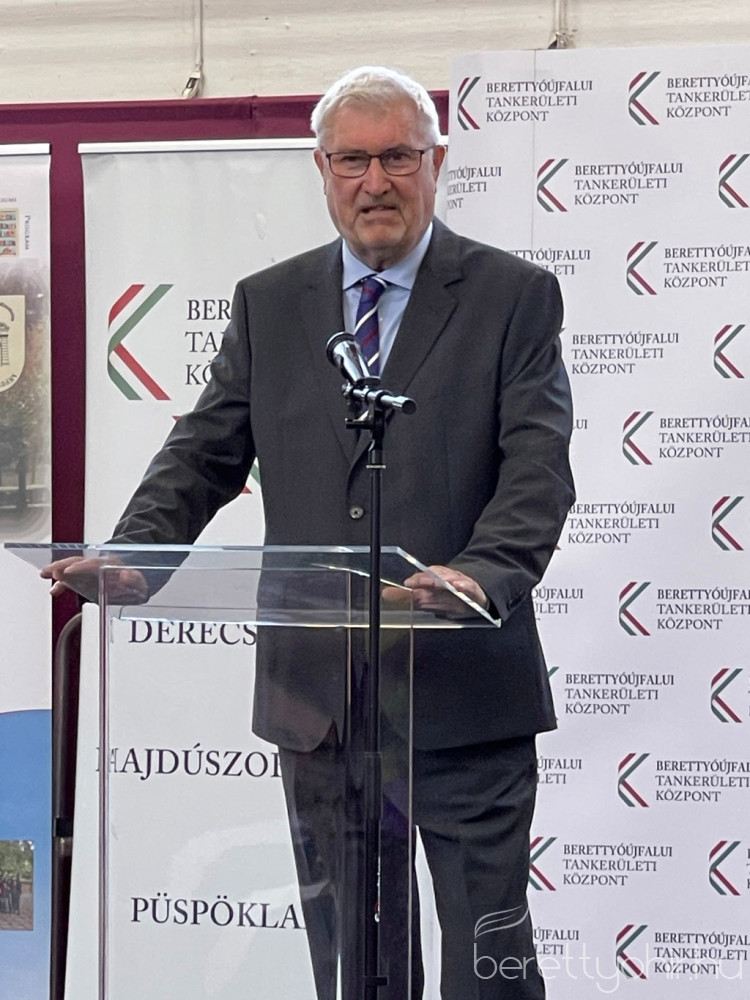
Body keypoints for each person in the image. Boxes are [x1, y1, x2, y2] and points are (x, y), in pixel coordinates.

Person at [43, 66, 574, 999]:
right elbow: (204, 449)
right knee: (353, 961)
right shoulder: (271, 302)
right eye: (352, 161)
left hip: (465, 693)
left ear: (436, 162)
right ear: (321, 170)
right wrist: (137, 554)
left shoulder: (511, 296)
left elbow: (538, 467)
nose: (376, 181)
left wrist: (481, 574)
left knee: (488, 960)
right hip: (319, 700)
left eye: (398, 157)